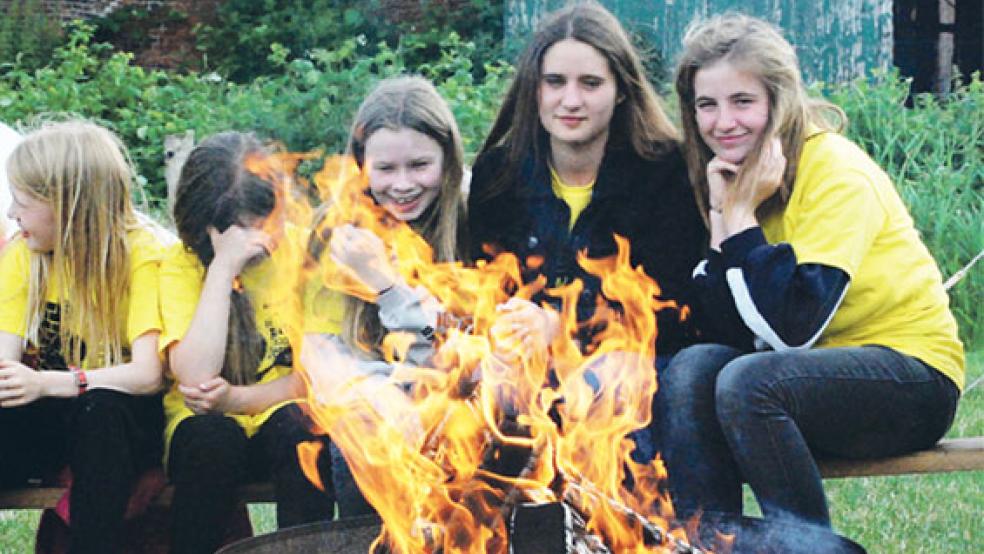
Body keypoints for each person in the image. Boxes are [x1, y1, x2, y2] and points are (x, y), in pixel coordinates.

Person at [658, 13, 964, 535]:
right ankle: (709, 542)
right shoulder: (738, 177)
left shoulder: (836, 171)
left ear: (779, 101)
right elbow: (724, 331)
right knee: (692, 368)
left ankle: (810, 549)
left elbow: (794, 327)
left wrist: (739, 222)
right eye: (706, 105)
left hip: (912, 380)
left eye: (743, 101)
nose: (723, 121)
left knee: (747, 383)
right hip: (805, 385)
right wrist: (721, 219)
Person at [466, 1, 707, 462]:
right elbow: (485, 292)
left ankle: (615, 531)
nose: (570, 101)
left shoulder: (665, 172)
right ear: (533, 89)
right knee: (486, 387)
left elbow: (677, 310)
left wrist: (564, 326)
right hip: (527, 358)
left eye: (590, 83)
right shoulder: (500, 176)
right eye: (555, 82)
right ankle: (497, 531)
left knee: (598, 386)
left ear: (620, 89)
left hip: (637, 360)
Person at [301, 75, 470, 517]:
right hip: (372, 404)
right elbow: (327, 361)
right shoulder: (332, 235)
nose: (403, 185)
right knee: (361, 433)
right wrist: (383, 396)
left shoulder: (472, 216)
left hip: (456, 400)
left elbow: (453, 358)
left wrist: (388, 288)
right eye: (386, 169)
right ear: (361, 168)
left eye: (419, 165)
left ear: (447, 160)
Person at [161, 131, 336, 553]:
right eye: (240, 229)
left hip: (278, 411)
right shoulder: (180, 265)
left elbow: (316, 377)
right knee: (211, 439)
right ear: (203, 225)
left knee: (302, 428)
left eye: (265, 223)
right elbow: (195, 377)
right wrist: (222, 269)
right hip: (206, 429)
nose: (257, 239)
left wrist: (236, 398)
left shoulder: (304, 255)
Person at [0, 120, 169, 553]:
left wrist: (48, 383)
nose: (10, 215)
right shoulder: (26, 253)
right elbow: (5, 362)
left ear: (66, 205)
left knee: (102, 412)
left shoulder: (144, 253)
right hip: (59, 412)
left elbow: (148, 375)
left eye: (20, 202)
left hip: (129, 418)